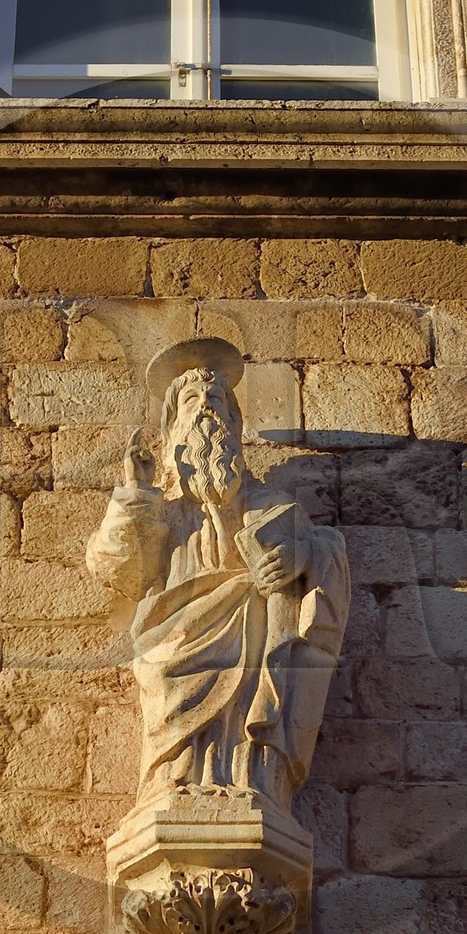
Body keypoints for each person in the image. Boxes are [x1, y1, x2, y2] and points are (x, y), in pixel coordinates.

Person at [85, 342, 348, 819]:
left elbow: (326, 552)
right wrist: (136, 493)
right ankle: (172, 784)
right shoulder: (160, 510)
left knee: (260, 671)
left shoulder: (270, 505)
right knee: (166, 679)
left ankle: (255, 783)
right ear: (173, 428)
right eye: (192, 400)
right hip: (176, 638)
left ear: (234, 424)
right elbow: (119, 570)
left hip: (253, 640)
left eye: (217, 400)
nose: (205, 406)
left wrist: (304, 557)